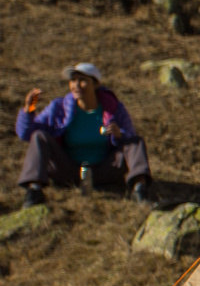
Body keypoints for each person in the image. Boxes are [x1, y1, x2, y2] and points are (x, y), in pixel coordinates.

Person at [15, 63, 153, 208]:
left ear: (95, 84)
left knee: (136, 142)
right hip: (68, 169)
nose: (76, 85)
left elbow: (130, 136)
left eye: (82, 80)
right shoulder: (59, 107)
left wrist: (120, 134)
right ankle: (34, 191)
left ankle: (139, 190)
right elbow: (26, 134)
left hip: (104, 170)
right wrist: (28, 109)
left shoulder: (114, 108)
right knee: (39, 136)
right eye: (73, 80)